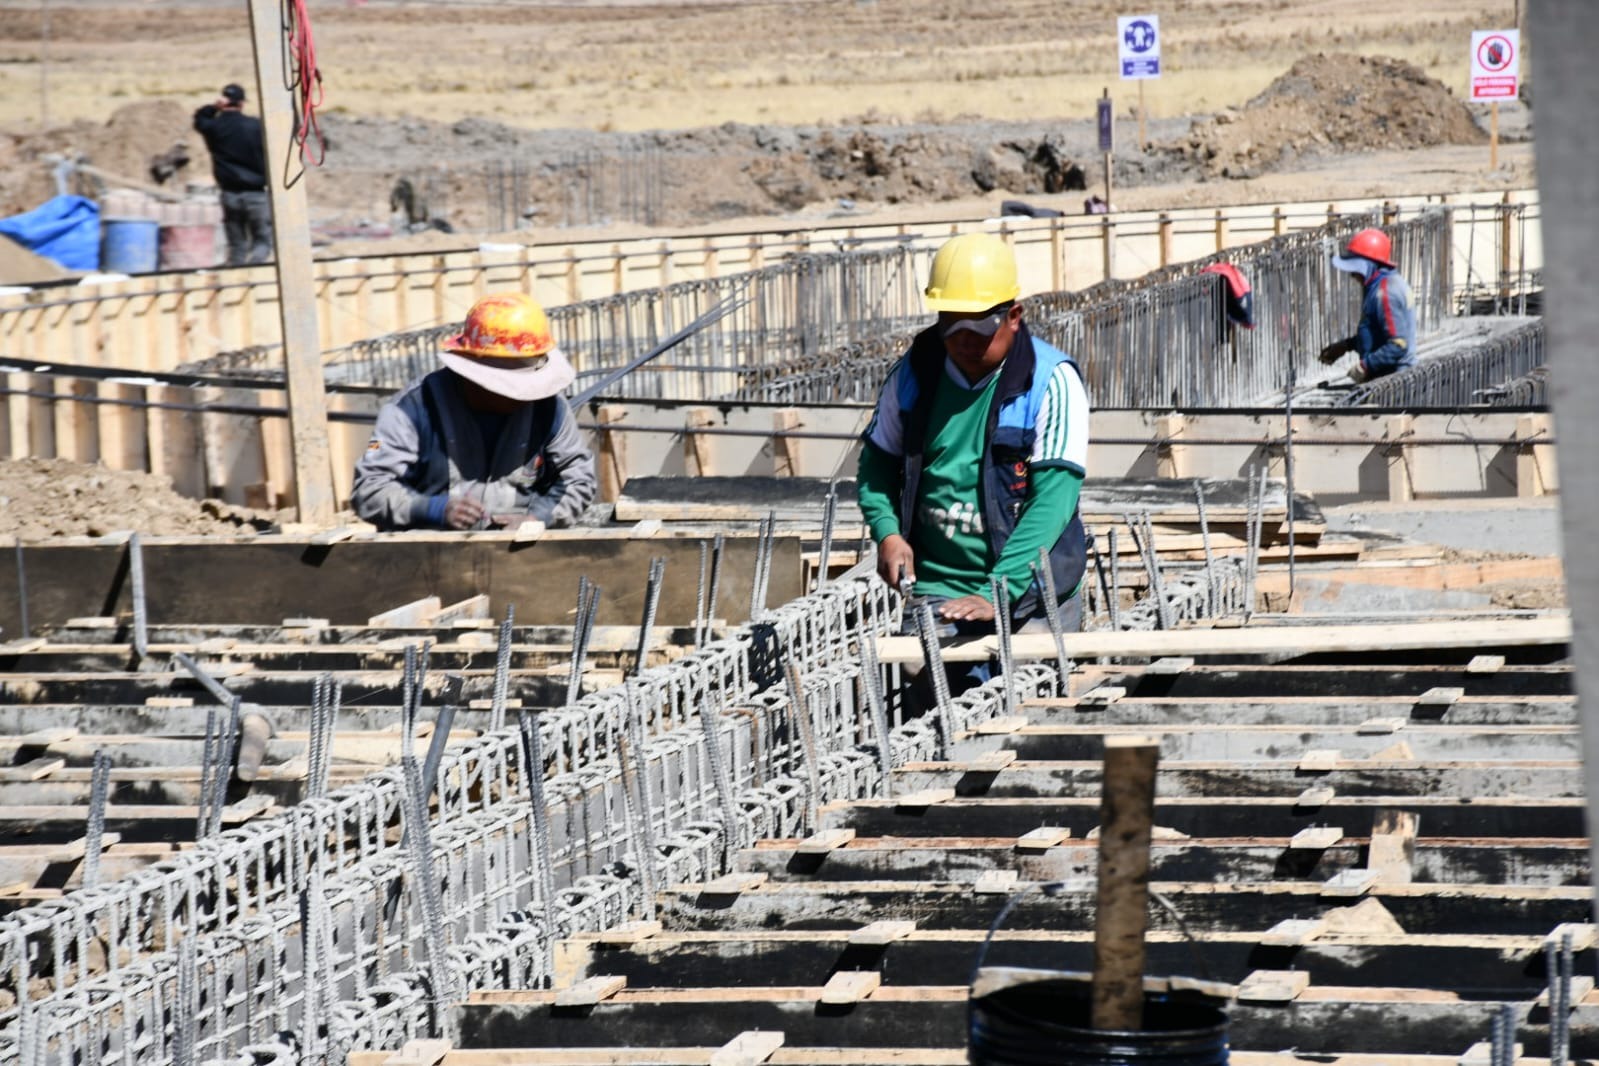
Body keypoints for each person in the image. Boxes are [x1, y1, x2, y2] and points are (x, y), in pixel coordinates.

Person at [857, 232, 1090, 664]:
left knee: (1030, 707)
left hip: (1032, 595)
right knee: (929, 714)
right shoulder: (914, 375)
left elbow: (1053, 502)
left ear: (1014, 316)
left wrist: (997, 590)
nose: (963, 340)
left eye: (979, 329)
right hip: (937, 590)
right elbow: (876, 466)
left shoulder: (1050, 382)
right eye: (952, 326)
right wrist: (887, 533)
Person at [352, 292, 597, 531]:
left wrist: (536, 518)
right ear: (475, 377)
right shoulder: (412, 410)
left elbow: (577, 479)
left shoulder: (550, 408)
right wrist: (433, 509)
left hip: (520, 560)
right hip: (424, 560)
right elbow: (370, 491)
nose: (523, 398)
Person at [1319, 227, 1416, 383]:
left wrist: (1364, 367)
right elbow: (1378, 335)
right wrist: (1347, 345)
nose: (1352, 275)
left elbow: (1398, 345)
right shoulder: (1382, 285)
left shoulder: (1385, 293)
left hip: (1392, 382)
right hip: (1385, 378)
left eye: (1355, 268)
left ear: (1369, 265)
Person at [192, 83, 271, 266]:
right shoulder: (256, 126)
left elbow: (199, 118)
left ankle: (237, 275)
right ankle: (255, 270)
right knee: (262, 241)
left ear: (224, 102)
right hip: (257, 193)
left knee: (237, 244)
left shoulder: (214, 127)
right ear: (242, 103)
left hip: (229, 194)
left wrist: (213, 107)